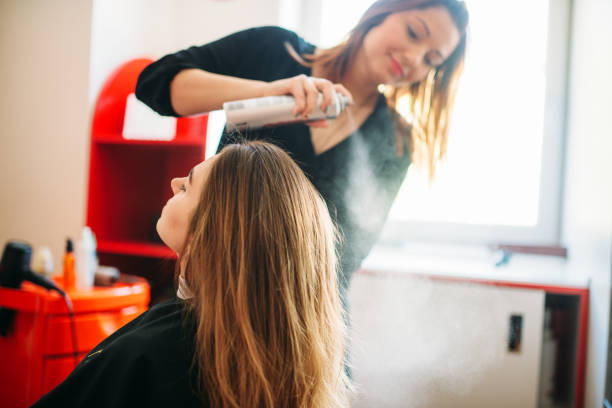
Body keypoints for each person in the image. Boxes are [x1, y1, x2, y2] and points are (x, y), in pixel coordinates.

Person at [136, 0, 469, 300]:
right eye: (414, 32)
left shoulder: (395, 141)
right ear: (381, 12)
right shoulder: (274, 51)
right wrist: (266, 94)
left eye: (431, 59)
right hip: (213, 287)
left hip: (300, 311)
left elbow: (349, 253)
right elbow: (155, 84)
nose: (414, 58)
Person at [32, 142, 349, 408]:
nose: (173, 182)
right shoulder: (282, 360)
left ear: (216, 231)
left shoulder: (155, 355)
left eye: (187, 186)